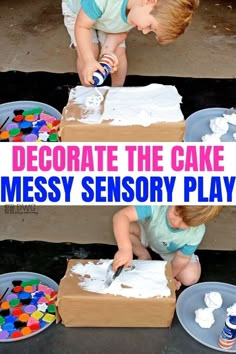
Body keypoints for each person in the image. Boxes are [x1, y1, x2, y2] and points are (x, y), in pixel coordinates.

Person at [62, 0, 199, 87]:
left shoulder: (138, 12)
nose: (145, 32)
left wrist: (108, 51)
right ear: (149, 1)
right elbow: (82, 27)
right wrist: (89, 60)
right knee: (89, 52)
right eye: (150, 26)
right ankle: (88, 91)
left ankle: (117, 92)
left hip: (109, 18)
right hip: (79, 14)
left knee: (118, 53)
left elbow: (121, 31)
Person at [112, 205, 223, 290]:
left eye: (186, 222)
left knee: (190, 277)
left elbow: (182, 259)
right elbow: (121, 216)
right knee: (123, 228)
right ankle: (143, 254)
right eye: (175, 213)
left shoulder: (197, 232)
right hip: (147, 234)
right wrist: (125, 248)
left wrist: (168, 277)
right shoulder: (157, 203)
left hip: (171, 251)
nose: (176, 222)